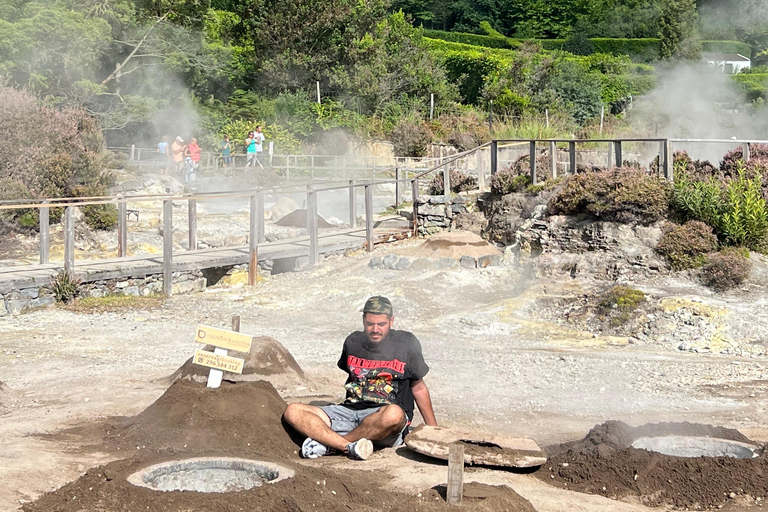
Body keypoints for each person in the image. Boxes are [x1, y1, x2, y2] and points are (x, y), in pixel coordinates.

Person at [283, 296, 437, 461]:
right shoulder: (353, 342)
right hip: (349, 413)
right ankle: (346, 447)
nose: (375, 329)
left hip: (382, 420)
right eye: (370, 324)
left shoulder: (406, 343)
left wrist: (434, 430)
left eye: (381, 324)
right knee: (293, 410)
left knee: (394, 414)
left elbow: (418, 387)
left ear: (391, 321)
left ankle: (331, 444)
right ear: (363, 320)